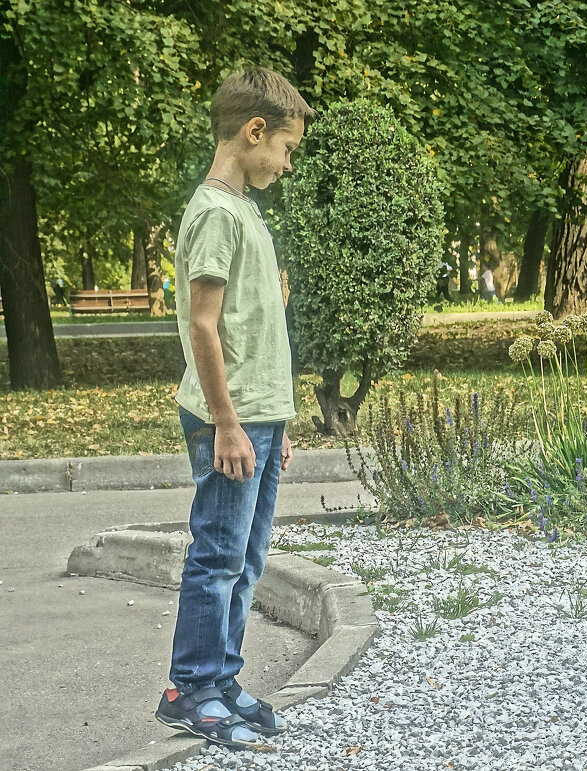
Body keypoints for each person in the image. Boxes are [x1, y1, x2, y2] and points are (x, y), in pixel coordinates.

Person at [153, 67, 315, 749]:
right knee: (218, 557)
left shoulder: (243, 209)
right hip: (232, 419)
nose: (285, 162)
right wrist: (226, 421)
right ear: (255, 131)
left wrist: (272, 417)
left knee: (245, 560)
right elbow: (202, 326)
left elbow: (248, 318)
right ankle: (188, 687)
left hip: (260, 416)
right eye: (285, 148)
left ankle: (221, 679)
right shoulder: (217, 210)